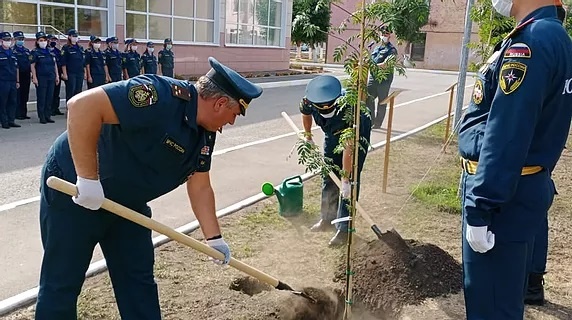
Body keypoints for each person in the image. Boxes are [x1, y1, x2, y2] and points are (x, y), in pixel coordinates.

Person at [34, 56, 263, 320]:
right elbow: (81, 106)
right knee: (62, 281)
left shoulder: (205, 132)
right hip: (75, 190)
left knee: (138, 279)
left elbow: (200, 184)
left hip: (127, 204)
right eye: (234, 114)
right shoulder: (159, 96)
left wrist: (214, 238)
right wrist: (87, 179)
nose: (232, 123)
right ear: (220, 103)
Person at [457, 1, 572, 319]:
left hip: (499, 197)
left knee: (490, 307)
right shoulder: (553, 35)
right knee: (501, 300)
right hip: (518, 187)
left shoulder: (531, 41)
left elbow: (508, 131)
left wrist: (480, 206)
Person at [524, 0, 568, 306]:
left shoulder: (537, 42)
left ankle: (529, 282)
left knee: (528, 221)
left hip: (526, 161)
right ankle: (533, 281)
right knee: (537, 218)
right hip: (542, 160)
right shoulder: (563, 46)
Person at [301, 75, 372, 247]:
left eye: (329, 108)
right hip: (332, 133)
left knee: (349, 181)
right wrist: (308, 136)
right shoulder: (309, 100)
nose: (325, 110)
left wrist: (346, 179)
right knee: (329, 173)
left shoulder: (351, 111)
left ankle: (344, 229)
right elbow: (305, 113)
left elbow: (349, 148)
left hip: (356, 135)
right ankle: (327, 218)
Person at [366, 26, 397, 129]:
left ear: (390, 36)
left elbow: (386, 64)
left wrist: (373, 66)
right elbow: (371, 60)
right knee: (369, 99)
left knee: (382, 101)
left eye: (386, 34)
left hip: (384, 80)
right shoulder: (376, 48)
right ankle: (371, 121)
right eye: (382, 34)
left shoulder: (391, 50)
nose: (384, 36)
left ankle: (378, 123)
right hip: (373, 78)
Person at [30, 32, 59, 124]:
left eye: (45, 40)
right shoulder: (35, 52)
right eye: (41, 40)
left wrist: (57, 75)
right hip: (41, 77)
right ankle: (42, 116)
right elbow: (32, 65)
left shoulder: (50, 51)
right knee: (42, 97)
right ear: (37, 41)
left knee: (49, 97)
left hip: (51, 76)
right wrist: (34, 77)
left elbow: (54, 64)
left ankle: (48, 115)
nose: (43, 42)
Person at [0, 31, 20, 129]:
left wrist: (17, 81)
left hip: (12, 81)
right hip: (2, 81)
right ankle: (4, 121)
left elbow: (16, 68)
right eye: (5, 40)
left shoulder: (13, 53)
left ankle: (11, 120)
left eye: (9, 40)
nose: (8, 41)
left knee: (13, 101)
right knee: (3, 102)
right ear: (1, 41)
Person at [60, 29, 85, 103]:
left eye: (76, 36)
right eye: (74, 36)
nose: (75, 38)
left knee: (78, 91)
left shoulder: (80, 48)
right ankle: (69, 109)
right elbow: (63, 62)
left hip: (79, 72)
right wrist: (64, 74)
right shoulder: (66, 48)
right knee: (71, 91)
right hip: (71, 73)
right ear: (69, 37)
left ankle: (77, 109)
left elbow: (83, 61)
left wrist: (84, 72)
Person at [12, 30, 32, 120]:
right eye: (19, 39)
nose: (21, 40)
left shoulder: (26, 51)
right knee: (18, 95)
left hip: (26, 75)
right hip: (17, 75)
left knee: (25, 94)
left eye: (22, 39)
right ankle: (17, 113)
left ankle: (24, 113)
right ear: (15, 39)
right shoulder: (13, 51)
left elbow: (30, 62)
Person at [48, 34, 64, 116]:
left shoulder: (58, 51)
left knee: (56, 93)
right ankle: (49, 109)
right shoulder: (46, 50)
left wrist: (61, 73)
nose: (53, 42)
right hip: (50, 74)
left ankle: (55, 108)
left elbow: (60, 63)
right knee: (50, 93)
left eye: (55, 40)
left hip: (58, 74)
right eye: (51, 40)